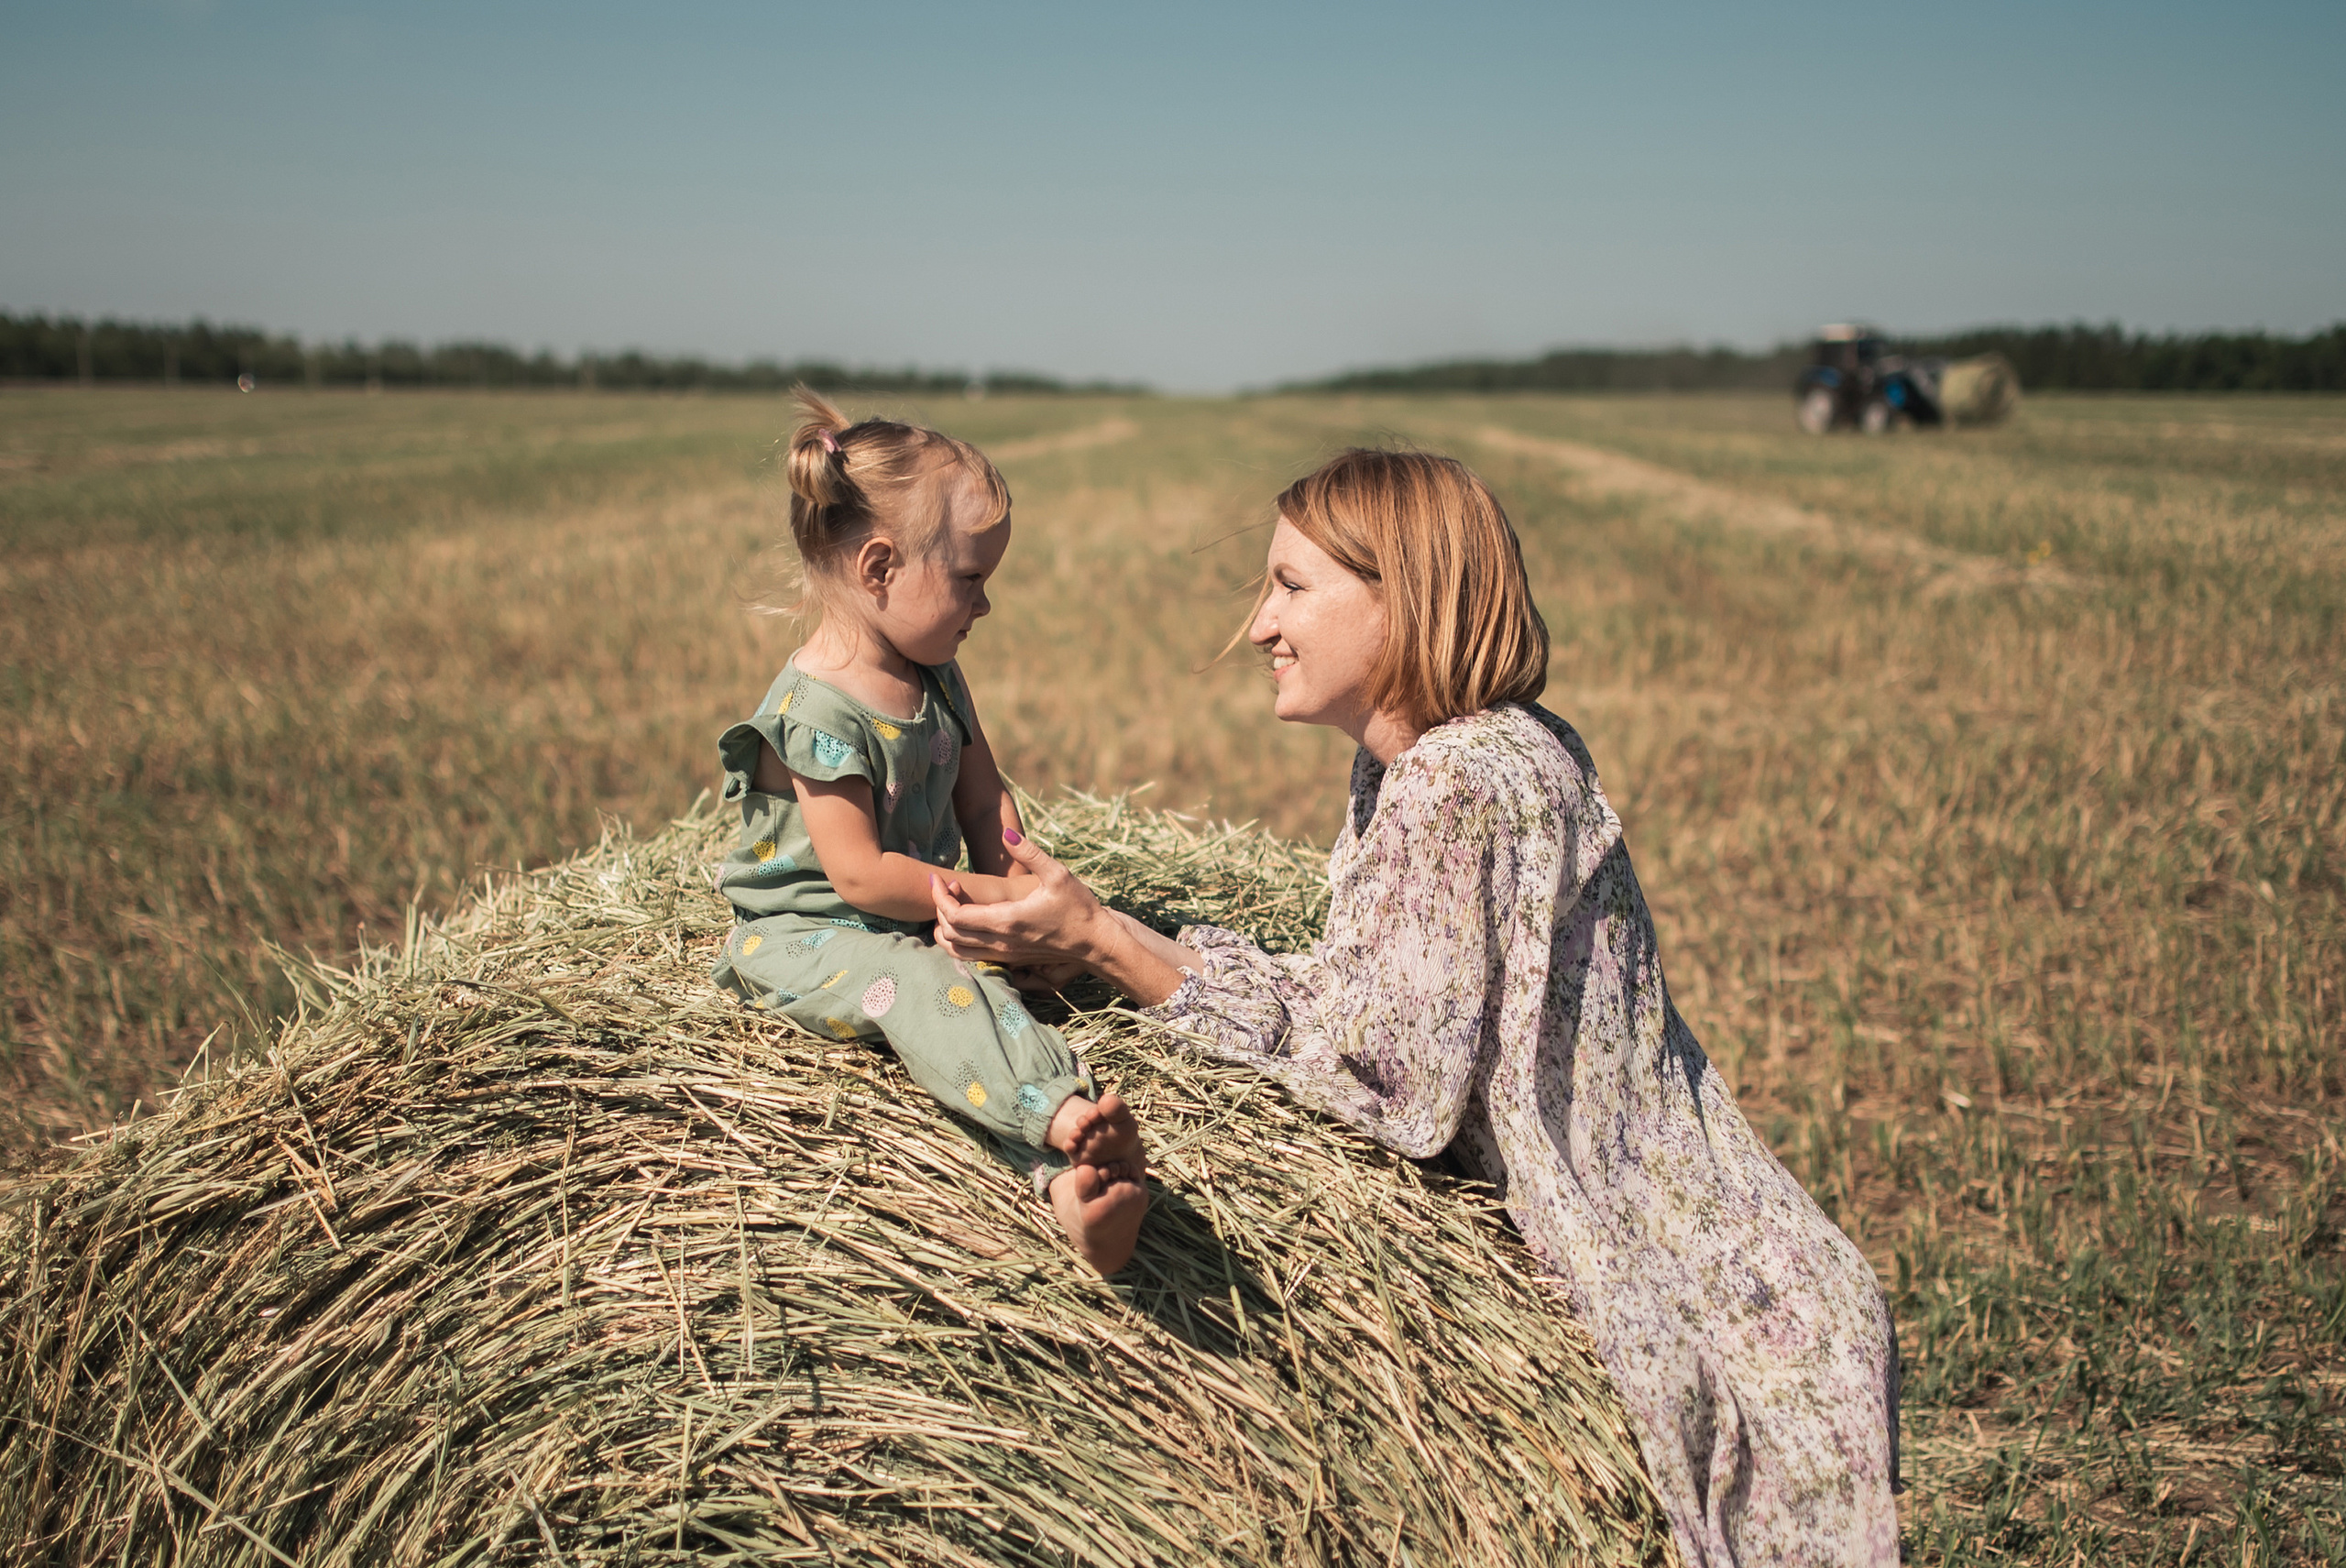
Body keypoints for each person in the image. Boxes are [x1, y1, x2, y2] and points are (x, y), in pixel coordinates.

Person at [933, 449, 1902, 1564]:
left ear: (1403, 597)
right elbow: (1360, 999)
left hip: (1705, 1295)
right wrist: (1104, 931)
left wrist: (1103, 944)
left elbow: (1384, 1084)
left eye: (1291, 587)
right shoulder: (1460, 753)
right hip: (1744, 1256)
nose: (1258, 626)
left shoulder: (1459, 781)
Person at [710, 390, 1147, 1274]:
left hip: (916, 916)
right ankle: (1064, 1119)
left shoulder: (938, 675)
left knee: (994, 983)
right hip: (809, 935)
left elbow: (985, 803)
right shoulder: (815, 710)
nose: (985, 604)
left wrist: (1019, 898)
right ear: (880, 568)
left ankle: (1072, 1191)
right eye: (971, 578)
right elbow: (862, 877)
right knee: (925, 987)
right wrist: (989, 899)